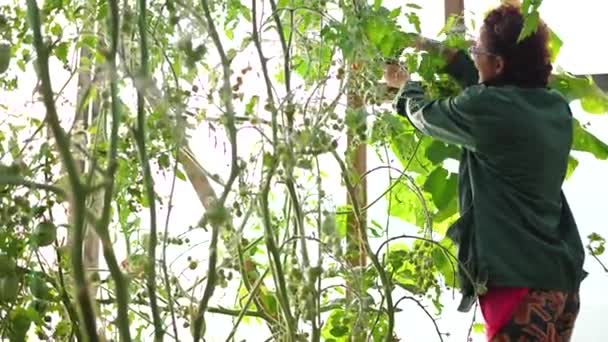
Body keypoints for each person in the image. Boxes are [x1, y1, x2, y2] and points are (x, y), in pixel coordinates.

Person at [383, 4, 587, 342]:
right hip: (559, 280)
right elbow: (490, 92)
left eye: (478, 50)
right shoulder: (553, 107)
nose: (473, 55)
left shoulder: (488, 109)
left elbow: (428, 116)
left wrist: (405, 86)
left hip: (517, 282)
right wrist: (433, 48)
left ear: (498, 64)